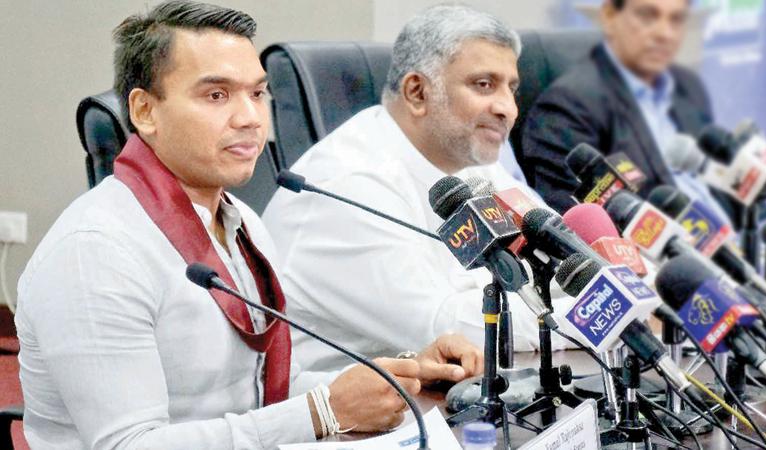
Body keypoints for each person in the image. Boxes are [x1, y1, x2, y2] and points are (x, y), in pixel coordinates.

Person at [15, 2, 483, 449]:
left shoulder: (244, 225)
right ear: (144, 111)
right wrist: (321, 412)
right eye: (216, 95)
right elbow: (129, 445)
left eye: (257, 93)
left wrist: (398, 376)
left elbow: (264, 389)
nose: (250, 119)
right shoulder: (95, 250)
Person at [264, 5, 567, 374]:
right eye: (484, 84)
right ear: (417, 92)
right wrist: (608, 316)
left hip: (447, 396)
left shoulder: (479, 166)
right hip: (342, 420)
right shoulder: (350, 182)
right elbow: (449, 328)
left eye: (512, 88)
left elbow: (563, 260)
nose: (508, 109)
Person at [520, 0, 724, 216]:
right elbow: (588, 231)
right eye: (647, 16)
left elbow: (723, 187)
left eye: (676, 19)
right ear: (609, 15)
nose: (665, 33)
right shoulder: (565, 111)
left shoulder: (688, 87)